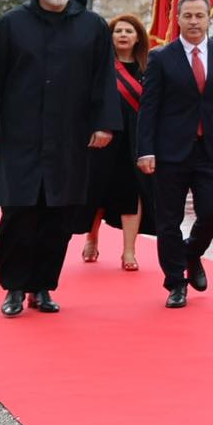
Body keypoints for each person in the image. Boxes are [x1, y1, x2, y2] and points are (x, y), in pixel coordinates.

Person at [0, 0, 117, 317]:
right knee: (19, 212)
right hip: (21, 137)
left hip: (70, 139)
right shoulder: (11, 24)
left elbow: (103, 80)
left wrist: (104, 124)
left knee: (59, 217)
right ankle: (15, 287)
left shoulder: (93, 27)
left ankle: (43, 286)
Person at [135, 0, 213, 309]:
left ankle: (190, 253)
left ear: (208, 19)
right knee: (168, 220)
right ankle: (175, 283)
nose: (195, 22)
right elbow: (149, 108)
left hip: (209, 149)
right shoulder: (161, 57)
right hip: (169, 151)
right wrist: (145, 149)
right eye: (188, 16)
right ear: (179, 19)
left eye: (200, 16)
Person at [82, 14, 152, 270]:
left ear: (137, 38)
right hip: (104, 137)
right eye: (118, 31)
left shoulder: (148, 68)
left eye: (129, 31)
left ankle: (129, 251)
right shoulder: (100, 68)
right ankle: (92, 237)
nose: (123, 35)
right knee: (97, 190)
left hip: (135, 139)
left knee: (132, 192)